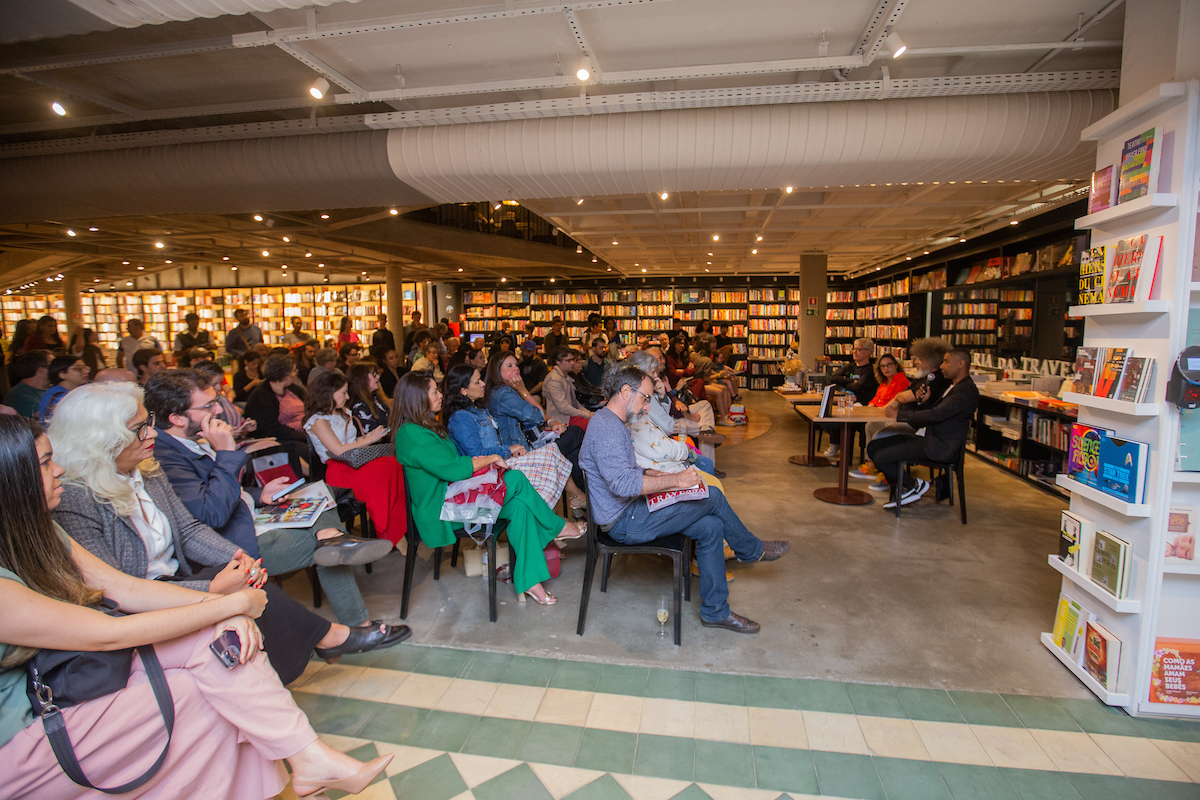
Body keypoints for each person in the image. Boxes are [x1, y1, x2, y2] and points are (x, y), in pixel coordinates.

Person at [0, 415, 395, 800]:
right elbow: (108, 631)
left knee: (224, 647)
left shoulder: (46, 523)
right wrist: (226, 599)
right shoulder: (76, 501)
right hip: (24, 732)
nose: (59, 469)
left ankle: (307, 757)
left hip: (63, 670)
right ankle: (304, 755)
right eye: (45, 463)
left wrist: (223, 604)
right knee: (216, 687)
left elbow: (121, 583)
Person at [48, 383, 404, 684]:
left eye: (148, 423)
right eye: (139, 428)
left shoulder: (145, 468)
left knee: (317, 514)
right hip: (151, 597)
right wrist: (211, 589)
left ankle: (333, 562)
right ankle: (334, 620)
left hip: (186, 571)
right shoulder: (76, 498)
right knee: (265, 596)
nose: (150, 433)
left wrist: (235, 557)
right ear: (103, 440)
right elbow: (121, 588)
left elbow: (187, 529)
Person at [145, 370, 402, 636]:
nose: (219, 410)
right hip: (235, 542)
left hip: (248, 514)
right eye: (209, 405)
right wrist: (225, 452)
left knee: (323, 496)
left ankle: (332, 540)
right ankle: (356, 623)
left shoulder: (189, 440)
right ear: (176, 417)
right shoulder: (166, 456)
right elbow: (212, 515)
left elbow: (217, 489)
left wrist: (259, 494)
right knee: (326, 548)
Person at [579, 363, 789, 633]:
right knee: (711, 495)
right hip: (624, 521)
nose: (646, 407)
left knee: (711, 527)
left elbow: (622, 470)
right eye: (645, 398)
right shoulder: (607, 427)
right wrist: (676, 481)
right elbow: (623, 484)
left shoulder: (613, 422)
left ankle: (715, 611)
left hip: (633, 509)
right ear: (625, 391)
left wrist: (650, 471)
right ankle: (750, 550)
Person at [391, 371, 582, 605]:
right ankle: (557, 526)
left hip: (455, 498)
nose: (440, 395)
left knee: (521, 505)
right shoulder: (412, 434)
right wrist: (492, 458)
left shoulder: (424, 426)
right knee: (516, 479)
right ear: (417, 397)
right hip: (442, 511)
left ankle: (531, 581)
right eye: (434, 391)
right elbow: (453, 468)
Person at [445, 364, 584, 508]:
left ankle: (574, 502)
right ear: (463, 391)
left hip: (500, 462)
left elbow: (535, 418)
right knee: (557, 450)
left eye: (481, 379)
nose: (483, 384)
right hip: (488, 472)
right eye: (477, 382)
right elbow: (477, 454)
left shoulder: (478, 409)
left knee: (559, 452)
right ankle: (577, 499)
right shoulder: (461, 417)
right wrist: (509, 449)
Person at [303, 372, 409, 546]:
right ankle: (388, 529)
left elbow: (351, 442)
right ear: (328, 393)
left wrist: (370, 436)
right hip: (339, 469)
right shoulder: (318, 421)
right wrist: (368, 440)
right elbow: (337, 449)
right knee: (386, 470)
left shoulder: (343, 412)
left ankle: (393, 527)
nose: (348, 396)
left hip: (353, 462)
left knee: (395, 464)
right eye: (343, 393)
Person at [868, 348, 980, 509]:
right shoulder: (955, 387)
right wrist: (924, 401)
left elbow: (936, 415)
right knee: (874, 446)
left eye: (946, 362)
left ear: (961, 364)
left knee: (882, 457)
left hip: (939, 447)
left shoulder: (965, 391)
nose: (942, 366)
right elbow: (937, 412)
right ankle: (906, 488)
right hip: (930, 438)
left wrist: (900, 415)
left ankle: (912, 485)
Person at [820, 337, 879, 459]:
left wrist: (845, 382)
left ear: (868, 352)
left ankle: (836, 446)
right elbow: (834, 378)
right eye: (854, 349)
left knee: (839, 419)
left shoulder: (870, 370)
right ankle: (836, 443)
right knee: (826, 416)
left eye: (859, 349)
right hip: (844, 401)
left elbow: (859, 387)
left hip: (861, 404)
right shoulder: (850, 366)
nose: (855, 352)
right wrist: (852, 381)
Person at [243, 354, 308, 448]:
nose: (296, 373)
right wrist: (305, 437)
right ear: (285, 375)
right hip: (280, 439)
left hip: (303, 433)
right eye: (293, 371)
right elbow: (271, 429)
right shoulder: (262, 396)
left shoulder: (294, 389)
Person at [667, 336, 734, 426]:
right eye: (679, 343)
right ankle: (724, 416)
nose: (682, 346)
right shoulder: (703, 359)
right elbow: (673, 374)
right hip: (679, 384)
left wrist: (681, 371)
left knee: (722, 386)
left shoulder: (688, 356)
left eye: (683, 344)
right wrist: (686, 371)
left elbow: (693, 371)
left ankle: (727, 414)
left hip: (690, 381)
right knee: (720, 388)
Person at [543, 346, 594, 426]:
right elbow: (563, 408)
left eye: (572, 360)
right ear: (558, 362)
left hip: (569, 417)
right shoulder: (554, 379)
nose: (572, 363)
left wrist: (589, 413)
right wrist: (587, 415)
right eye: (568, 360)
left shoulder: (565, 376)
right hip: (561, 420)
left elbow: (574, 403)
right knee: (592, 426)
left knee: (595, 423)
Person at [36, 354, 89, 425]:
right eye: (78, 369)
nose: (86, 371)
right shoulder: (59, 396)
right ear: (62, 374)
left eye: (85, 367)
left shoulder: (72, 392)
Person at [4, 349, 52, 418]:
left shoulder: (52, 389)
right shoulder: (21, 396)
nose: (56, 368)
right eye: (52, 365)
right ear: (41, 370)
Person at [346, 361, 390, 432]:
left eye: (377, 374)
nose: (378, 377)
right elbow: (373, 432)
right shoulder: (359, 405)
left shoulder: (374, 396)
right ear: (361, 378)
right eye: (373, 375)